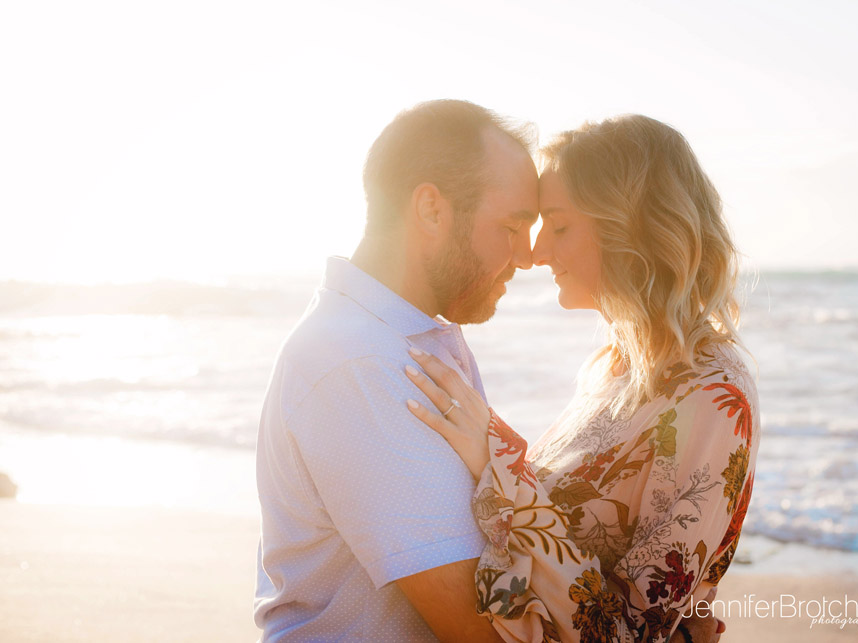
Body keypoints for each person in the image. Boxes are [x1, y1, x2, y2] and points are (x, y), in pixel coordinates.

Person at [254, 100, 722, 642]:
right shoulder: (363, 365)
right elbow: (479, 629)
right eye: (513, 225)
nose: (528, 255)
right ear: (432, 210)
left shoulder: (412, 341)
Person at [405, 115, 757, 642]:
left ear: (632, 228)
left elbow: (628, 632)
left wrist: (497, 456)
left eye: (559, 226)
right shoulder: (614, 366)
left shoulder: (712, 397)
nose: (535, 253)